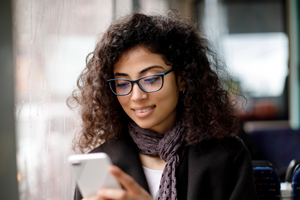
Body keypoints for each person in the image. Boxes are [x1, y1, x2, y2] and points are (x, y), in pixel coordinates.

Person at [69, 10, 258, 200]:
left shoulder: (226, 156)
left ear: (182, 79)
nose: (136, 96)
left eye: (151, 79)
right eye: (123, 84)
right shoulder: (99, 166)